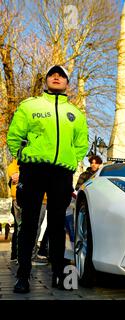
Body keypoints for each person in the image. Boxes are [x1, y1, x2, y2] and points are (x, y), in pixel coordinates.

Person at [7, 65, 89, 293]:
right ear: (46, 81)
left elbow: (81, 143)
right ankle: (22, 276)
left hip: (61, 173)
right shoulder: (30, 106)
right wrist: (23, 158)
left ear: (67, 84)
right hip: (33, 170)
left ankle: (58, 275)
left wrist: (71, 160)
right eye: (52, 74)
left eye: (61, 75)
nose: (56, 77)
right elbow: (15, 136)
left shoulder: (76, 114)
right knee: (29, 224)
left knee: (56, 225)